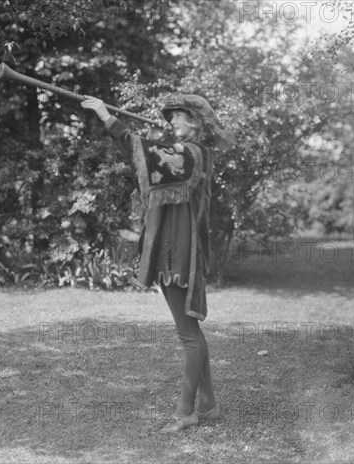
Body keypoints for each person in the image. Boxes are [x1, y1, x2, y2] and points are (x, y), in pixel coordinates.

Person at [81, 94, 234, 433]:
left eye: (178, 116)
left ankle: (185, 412)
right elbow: (154, 160)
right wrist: (153, 143)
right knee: (192, 333)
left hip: (179, 253)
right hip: (177, 248)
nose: (171, 122)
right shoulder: (194, 154)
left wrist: (108, 117)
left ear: (195, 121)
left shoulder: (191, 154)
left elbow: (146, 156)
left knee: (188, 335)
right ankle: (207, 405)